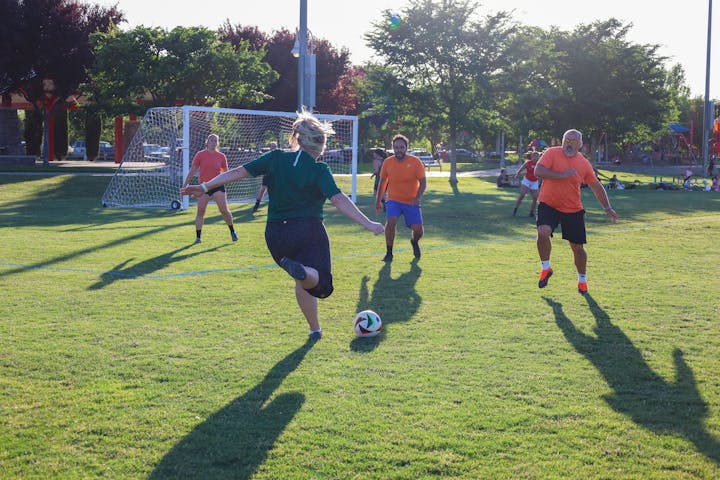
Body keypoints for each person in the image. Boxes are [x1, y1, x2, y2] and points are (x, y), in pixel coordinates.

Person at [181, 110, 384, 340]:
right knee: (323, 284)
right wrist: (368, 224)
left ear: (297, 138)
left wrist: (206, 187)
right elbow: (338, 199)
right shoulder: (320, 170)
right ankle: (305, 273)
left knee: (303, 279)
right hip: (309, 231)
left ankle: (314, 328)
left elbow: (238, 172)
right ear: (319, 144)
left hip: (276, 235)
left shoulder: (275, 158)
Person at [534, 129, 617, 295]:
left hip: (572, 209)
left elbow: (596, 186)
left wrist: (607, 207)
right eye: (566, 140)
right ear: (562, 140)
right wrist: (562, 175)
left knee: (577, 248)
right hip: (548, 203)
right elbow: (538, 171)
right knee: (543, 231)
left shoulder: (583, 164)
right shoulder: (552, 153)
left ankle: (582, 280)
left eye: (573, 141)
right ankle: (546, 268)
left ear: (580, 145)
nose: (569, 144)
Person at [375, 134, 426, 262]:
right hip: (393, 199)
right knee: (391, 222)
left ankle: (414, 242)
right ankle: (389, 253)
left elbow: (423, 182)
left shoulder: (415, 162)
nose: (399, 150)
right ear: (393, 148)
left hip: (411, 201)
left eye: (402, 147)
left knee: (418, 230)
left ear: (406, 148)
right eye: (396, 147)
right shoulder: (387, 162)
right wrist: (378, 201)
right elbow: (382, 183)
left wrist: (417, 197)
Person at [182, 134, 238, 244]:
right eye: (211, 140)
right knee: (200, 211)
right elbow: (192, 170)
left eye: (215, 141)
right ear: (207, 142)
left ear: (218, 143)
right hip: (204, 187)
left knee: (224, 211)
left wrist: (225, 181)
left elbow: (226, 173)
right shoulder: (200, 155)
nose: (213, 142)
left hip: (217, 186)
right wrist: (185, 185)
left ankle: (233, 232)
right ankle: (198, 237)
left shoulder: (221, 156)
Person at [252, 142, 278, 213]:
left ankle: (278, 205)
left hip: (276, 176)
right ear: (270, 148)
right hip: (267, 175)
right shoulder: (266, 155)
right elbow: (262, 165)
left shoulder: (279, 156)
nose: (273, 148)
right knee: (263, 189)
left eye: (275, 146)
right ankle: (257, 204)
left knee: (277, 190)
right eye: (272, 146)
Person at [513, 151, 540, 216]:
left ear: (538, 157)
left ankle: (531, 212)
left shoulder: (539, 164)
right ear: (531, 156)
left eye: (536, 156)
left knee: (535, 197)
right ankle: (515, 210)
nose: (535, 157)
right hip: (527, 180)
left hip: (534, 181)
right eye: (533, 156)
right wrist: (517, 174)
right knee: (522, 194)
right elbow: (521, 169)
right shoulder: (528, 163)